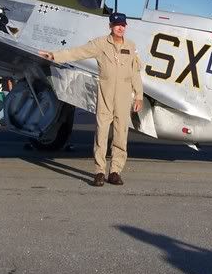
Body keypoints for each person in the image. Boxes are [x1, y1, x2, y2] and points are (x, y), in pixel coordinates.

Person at [39, 12, 143, 187]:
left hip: (124, 97)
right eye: (117, 24)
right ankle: (99, 172)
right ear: (110, 26)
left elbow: (135, 73)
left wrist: (138, 96)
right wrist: (55, 56)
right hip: (105, 95)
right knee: (101, 133)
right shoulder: (100, 44)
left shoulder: (131, 47)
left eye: (123, 25)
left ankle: (115, 171)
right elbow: (78, 52)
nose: (120, 27)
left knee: (121, 134)